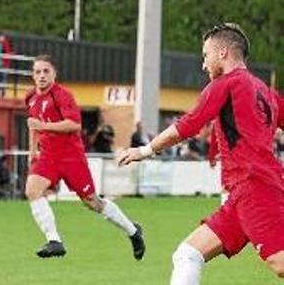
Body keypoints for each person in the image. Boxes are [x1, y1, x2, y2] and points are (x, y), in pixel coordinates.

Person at [118, 23, 284, 282]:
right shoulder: (266, 91)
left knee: (280, 263)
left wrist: (145, 149)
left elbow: (187, 126)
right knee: (187, 254)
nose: (203, 64)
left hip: (253, 187)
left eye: (205, 55)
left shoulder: (225, 84)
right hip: (244, 193)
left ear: (223, 53)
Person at [25, 54, 144, 259]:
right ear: (32, 75)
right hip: (48, 156)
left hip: (72, 158)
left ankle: (133, 231)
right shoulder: (31, 98)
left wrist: (43, 126)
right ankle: (54, 241)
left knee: (92, 202)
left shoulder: (62, 95)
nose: (42, 75)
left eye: (46, 71)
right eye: (37, 72)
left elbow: (74, 125)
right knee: (32, 190)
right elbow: (32, 125)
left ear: (54, 74)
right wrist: (32, 152)